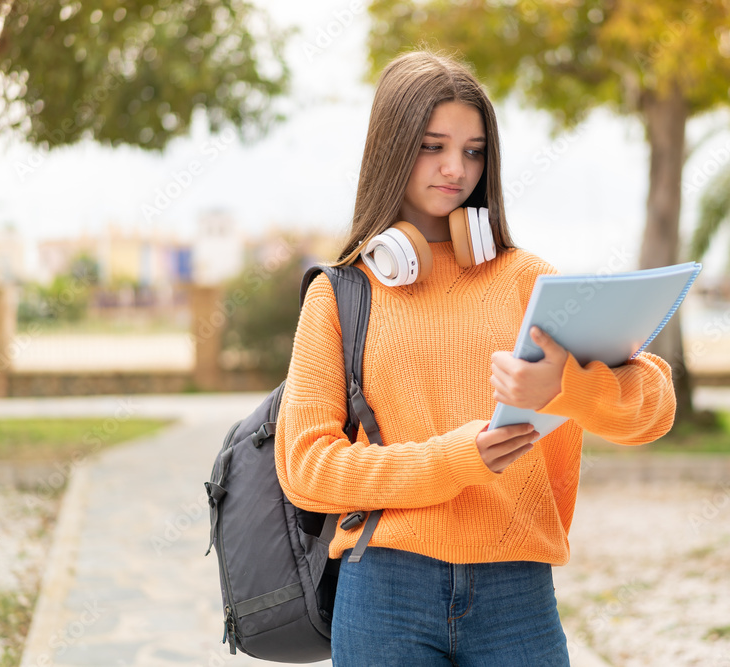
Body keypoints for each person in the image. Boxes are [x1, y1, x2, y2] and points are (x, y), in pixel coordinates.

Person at [274, 49, 676, 666]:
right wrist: (454, 460)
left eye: (473, 150)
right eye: (433, 146)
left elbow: (652, 409)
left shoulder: (527, 282)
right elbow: (307, 467)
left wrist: (563, 387)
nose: (455, 168)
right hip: (384, 588)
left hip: (516, 591)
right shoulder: (340, 294)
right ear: (392, 150)